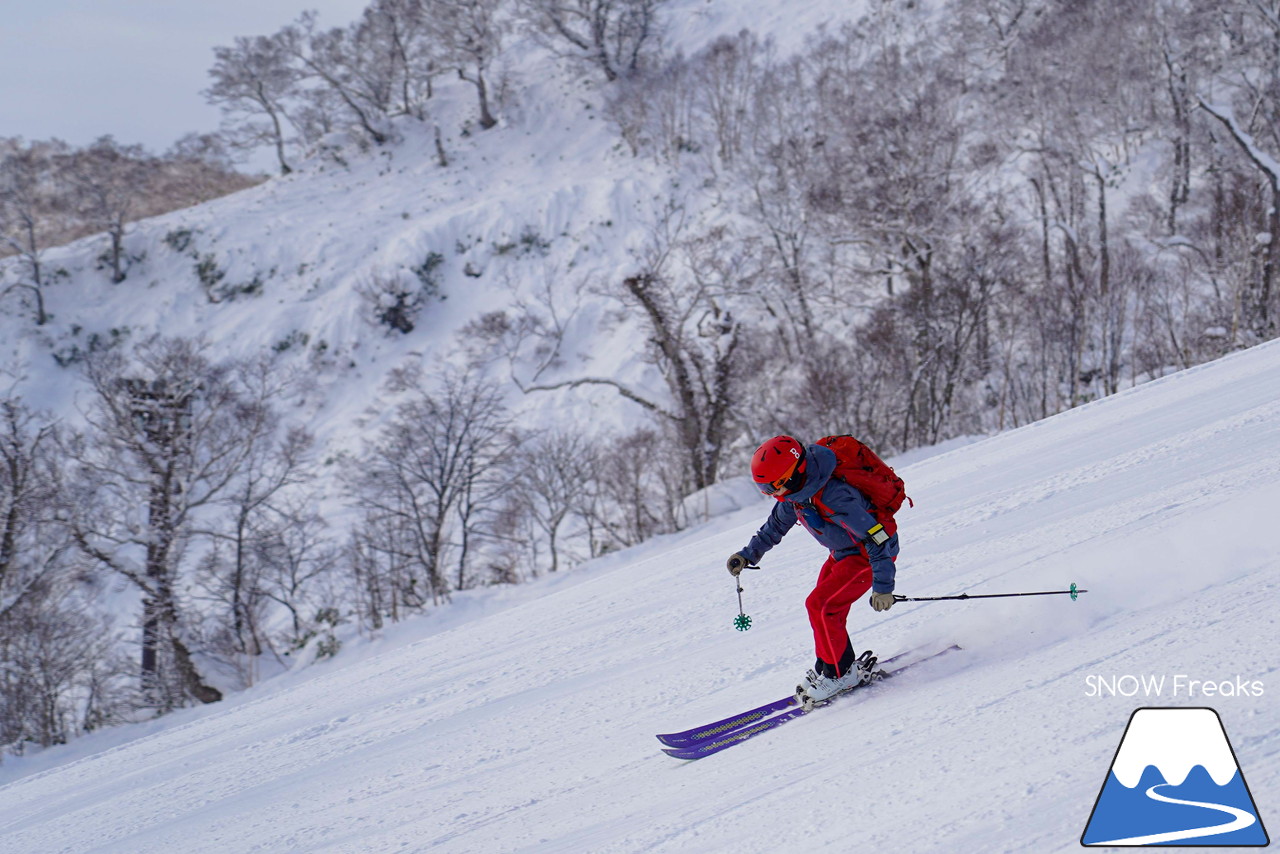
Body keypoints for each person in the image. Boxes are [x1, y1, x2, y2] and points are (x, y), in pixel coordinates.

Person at [726, 435, 900, 707]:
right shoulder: (795, 497)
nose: (770, 494)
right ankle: (829, 667)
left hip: (869, 557)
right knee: (818, 607)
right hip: (844, 554)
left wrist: (883, 586)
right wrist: (747, 555)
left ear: (791, 476)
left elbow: (876, 537)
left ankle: (840, 674)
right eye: (764, 489)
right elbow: (773, 528)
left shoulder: (834, 495)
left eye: (771, 487)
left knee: (822, 605)